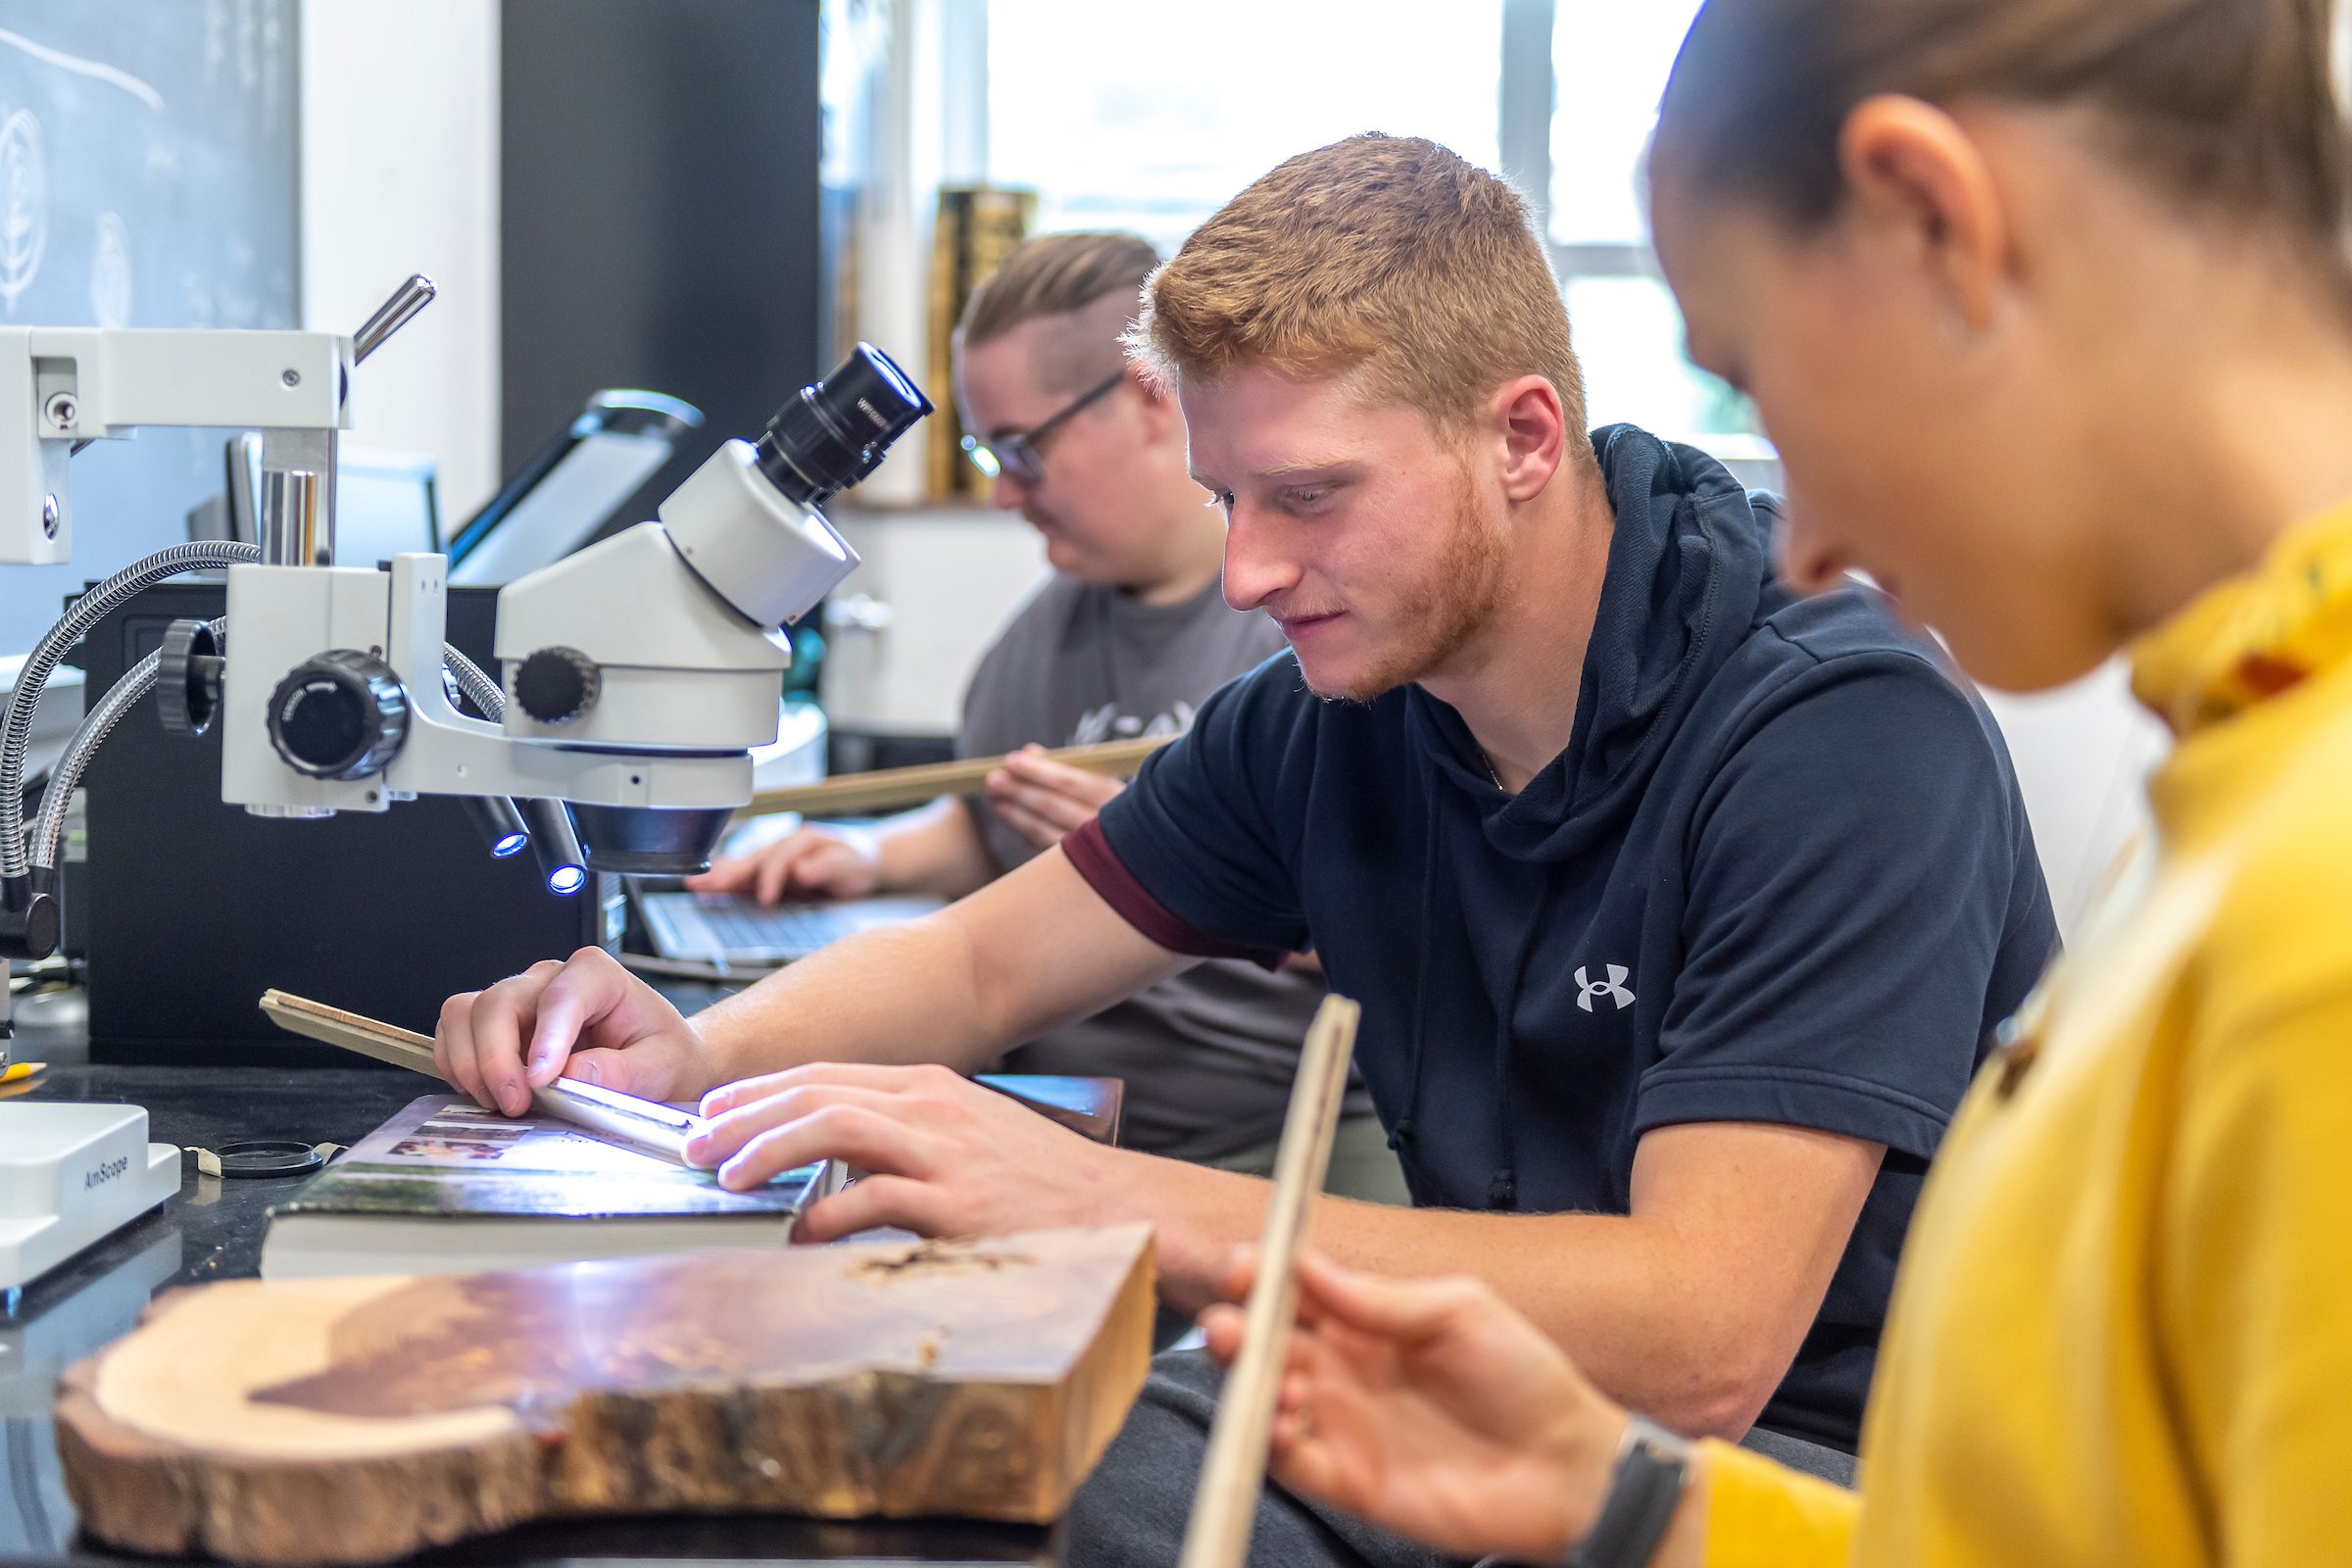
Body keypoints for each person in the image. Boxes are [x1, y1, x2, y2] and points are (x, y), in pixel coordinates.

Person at [435, 132, 2054, 1546]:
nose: (1247, 576)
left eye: (1310, 497)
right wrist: (681, 1051)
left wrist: (1090, 1194)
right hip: (1451, 1383)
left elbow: (1705, 1334)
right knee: (1014, 1510)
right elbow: (991, 959)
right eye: (1228, 502)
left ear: (1524, 439)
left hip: (1813, 1478)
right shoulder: (1330, 716)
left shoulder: (1836, 739)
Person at [1194, 1, 2352, 1564]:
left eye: (1768, 379)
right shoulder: (2244, 792)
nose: (1802, 543)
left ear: (1935, 221)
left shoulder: (2314, 921)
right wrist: (1638, 1506)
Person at [687, 231, 1402, 1198]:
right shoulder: (1043, 636)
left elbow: (1423, 920)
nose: (1001, 493)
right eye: (988, 452)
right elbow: (992, 825)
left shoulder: (1316, 636)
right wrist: (866, 853)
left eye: (1022, 449)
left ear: (1150, 398)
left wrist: (1171, 861)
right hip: (1068, 1120)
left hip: (1274, 1147)